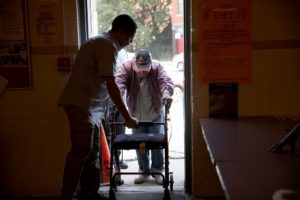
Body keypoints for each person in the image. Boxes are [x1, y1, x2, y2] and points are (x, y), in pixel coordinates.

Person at [58, 14, 138, 200]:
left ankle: (89, 193)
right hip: (81, 104)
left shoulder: (106, 43)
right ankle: (66, 196)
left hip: (90, 107)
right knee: (80, 152)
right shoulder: (106, 45)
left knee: (92, 153)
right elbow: (111, 85)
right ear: (120, 31)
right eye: (130, 36)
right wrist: (127, 117)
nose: (130, 41)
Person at [116, 49, 174, 185]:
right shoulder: (126, 67)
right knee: (139, 144)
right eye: (140, 68)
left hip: (154, 112)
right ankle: (144, 170)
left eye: (145, 68)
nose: (143, 71)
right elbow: (119, 83)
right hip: (136, 114)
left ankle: (157, 171)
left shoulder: (157, 67)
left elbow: (166, 81)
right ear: (134, 63)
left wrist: (166, 93)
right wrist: (119, 96)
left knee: (157, 144)